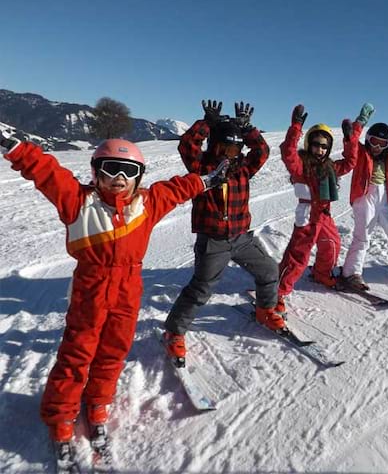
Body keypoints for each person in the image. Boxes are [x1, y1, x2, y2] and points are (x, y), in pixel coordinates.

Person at [0, 133, 223, 448]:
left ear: (139, 177)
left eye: (128, 171)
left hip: (128, 289)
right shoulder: (78, 202)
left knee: (115, 349)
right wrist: (16, 148)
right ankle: (61, 413)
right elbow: (47, 172)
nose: (119, 178)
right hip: (90, 288)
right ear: (95, 172)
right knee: (78, 352)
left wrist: (205, 181)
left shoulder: (146, 204)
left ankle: (98, 400)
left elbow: (176, 190)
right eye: (110, 169)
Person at [163, 100, 281, 363]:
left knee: (270, 271)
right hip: (213, 242)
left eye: (235, 148)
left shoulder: (242, 169)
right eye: (225, 147)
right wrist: (207, 123)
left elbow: (261, 151)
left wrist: (247, 128)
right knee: (201, 289)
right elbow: (187, 145)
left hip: (241, 238)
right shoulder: (202, 168)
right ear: (215, 146)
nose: (230, 154)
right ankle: (174, 332)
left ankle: (265, 310)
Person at [276, 104, 361, 312]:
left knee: (332, 244)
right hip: (307, 217)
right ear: (308, 144)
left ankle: (322, 273)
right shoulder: (301, 166)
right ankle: (277, 292)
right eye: (316, 144)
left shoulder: (330, 167)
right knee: (298, 256)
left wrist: (351, 137)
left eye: (324, 146)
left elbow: (351, 162)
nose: (320, 149)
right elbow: (288, 154)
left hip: (324, 216)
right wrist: (296, 126)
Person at [340, 107, 388, 290]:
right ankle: (352, 273)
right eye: (374, 142)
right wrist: (360, 121)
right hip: (365, 197)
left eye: (382, 144)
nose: (376, 147)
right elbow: (351, 143)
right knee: (362, 237)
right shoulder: (361, 153)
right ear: (367, 140)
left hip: (385, 198)